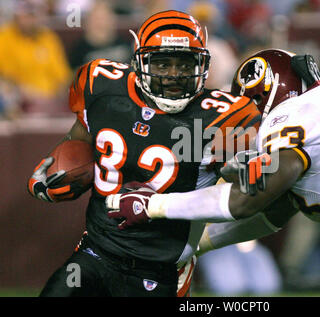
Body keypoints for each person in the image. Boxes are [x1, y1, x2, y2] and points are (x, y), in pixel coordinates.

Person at [106, 49, 320, 296]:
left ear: (261, 93)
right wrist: (197, 246)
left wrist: (154, 206)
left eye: (243, 105)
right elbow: (277, 211)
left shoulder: (292, 117)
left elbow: (243, 203)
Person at [27, 10, 261, 297]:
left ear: (202, 63)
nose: (174, 75)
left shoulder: (224, 117)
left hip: (160, 271)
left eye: (185, 64)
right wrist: (58, 170)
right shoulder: (102, 85)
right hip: (96, 253)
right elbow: (80, 140)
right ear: (139, 60)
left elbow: (254, 190)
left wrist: (244, 167)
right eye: (163, 63)